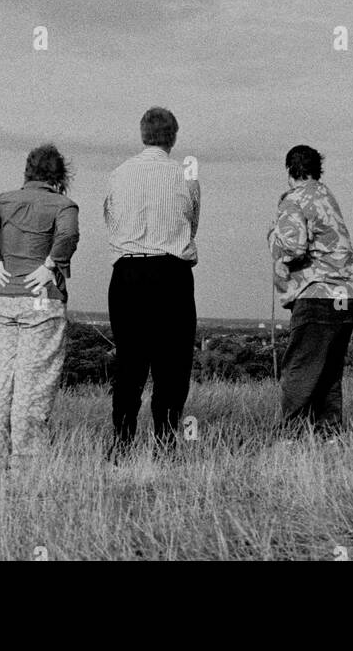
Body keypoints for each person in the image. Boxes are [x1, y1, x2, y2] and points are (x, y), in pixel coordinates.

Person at [0, 143, 79, 469]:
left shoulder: (3, 200)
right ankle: (27, 467)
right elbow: (69, 236)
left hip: (1, 299)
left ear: (27, 171)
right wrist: (51, 266)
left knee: (3, 381)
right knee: (34, 384)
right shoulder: (64, 205)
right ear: (60, 175)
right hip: (40, 301)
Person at [104, 107, 200, 456]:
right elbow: (191, 225)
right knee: (172, 364)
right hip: (171, 274)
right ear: (173, 136)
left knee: (129, 361)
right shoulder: (186, 175)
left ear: (143, 134)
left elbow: (110, 219)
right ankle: (165, 442)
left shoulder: (118, 173)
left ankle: (122, 441)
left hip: (127, 274)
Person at [268, 144, 353, 439]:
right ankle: (329, 438)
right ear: (317, 169)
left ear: (289, 171)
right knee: (328, 375)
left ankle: (292, 439)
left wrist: (273, 236)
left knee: (299, 371)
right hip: (347, 296)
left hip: (318, 294)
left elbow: (293, 246)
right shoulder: (326, 196)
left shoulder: (294, 199)